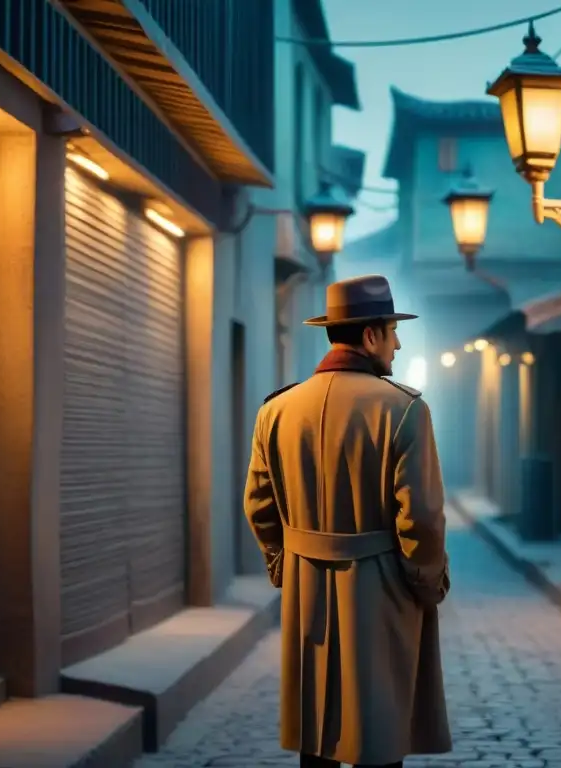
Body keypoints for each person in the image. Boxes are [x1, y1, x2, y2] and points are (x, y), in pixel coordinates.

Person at [244, 274, 452, 768]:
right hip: (381, 589)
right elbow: (421, 518)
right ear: (370, 335)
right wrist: (427, 584)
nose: (398, 344)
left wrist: (283, 566)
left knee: (317, 734)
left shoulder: (276, 410)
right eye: (392, 331)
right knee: (378, 733)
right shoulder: (403, 410)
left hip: (305, 586)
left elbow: (259, 504)